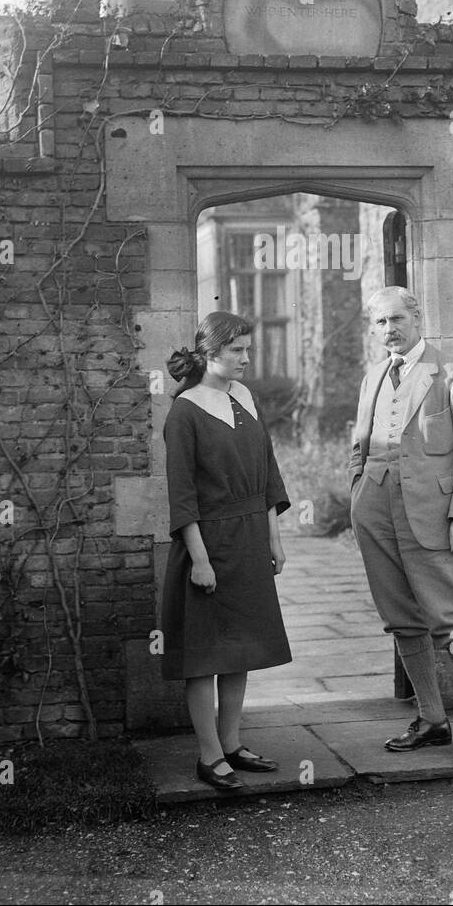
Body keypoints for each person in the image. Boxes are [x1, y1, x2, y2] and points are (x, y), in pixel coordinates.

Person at [348, 286, 453, 761]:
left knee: (450, 617)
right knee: (400, 618)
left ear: (417, 318)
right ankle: (433, 719)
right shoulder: (373, 376)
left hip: (432, 514)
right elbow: (360, 445)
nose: (389, 330)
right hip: (375, 508)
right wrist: (357, 494)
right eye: (380, 323)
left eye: (397, 319)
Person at [160, 311, 292, 791]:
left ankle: (233, 743)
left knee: (240, 649)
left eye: (247, 349)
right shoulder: (184, 412)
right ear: (210, 353)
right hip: (207, 545)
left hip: (250, 540)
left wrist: (274, 537)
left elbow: (268, 473)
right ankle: (209, 755)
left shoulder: (244, 398)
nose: (246, 359)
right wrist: (198, 559)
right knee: (204, 655)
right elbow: (181, 495)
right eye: (237, 350)